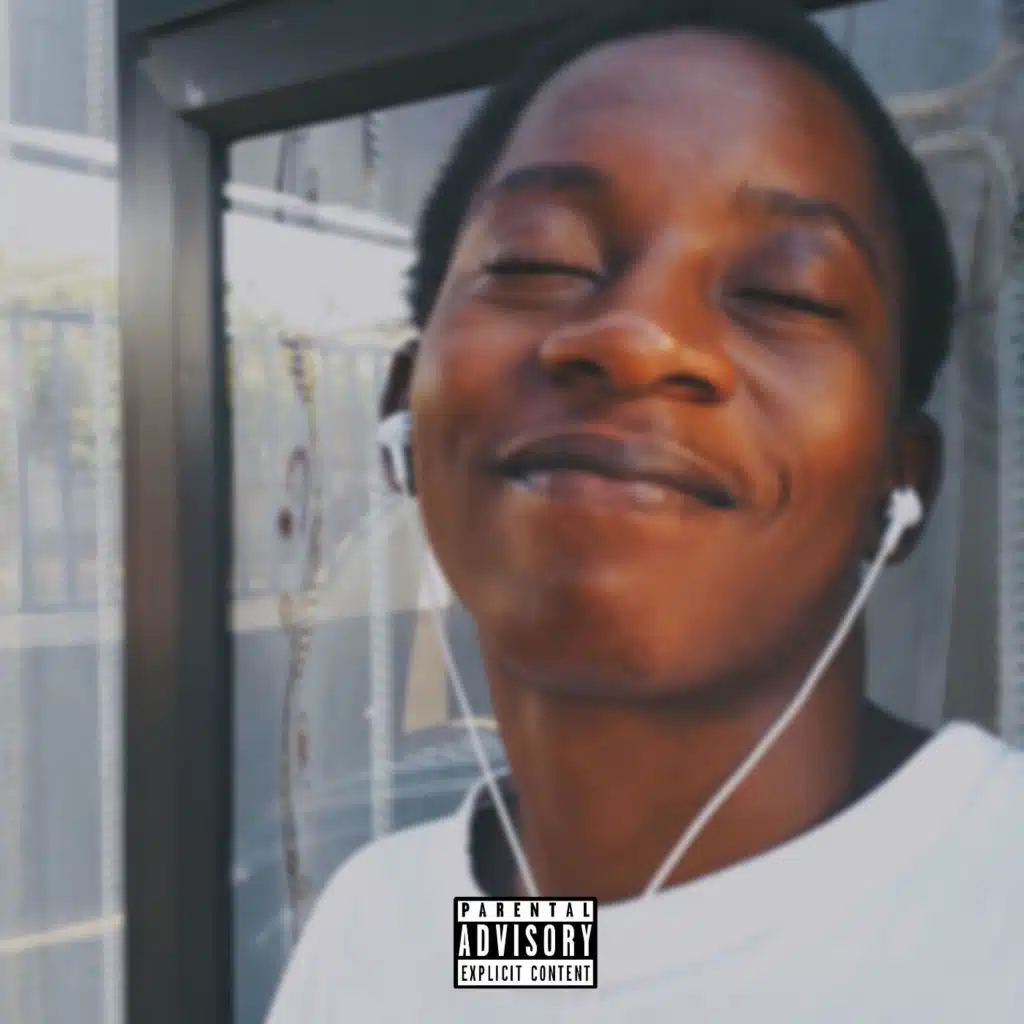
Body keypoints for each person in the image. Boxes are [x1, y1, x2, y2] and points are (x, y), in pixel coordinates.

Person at [266, 1, 1024, 1020]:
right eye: (536, 261)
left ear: (904, 483)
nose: (635, 337)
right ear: (404, 409)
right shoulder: (382, 922)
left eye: (787, 293)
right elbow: (600, 970)